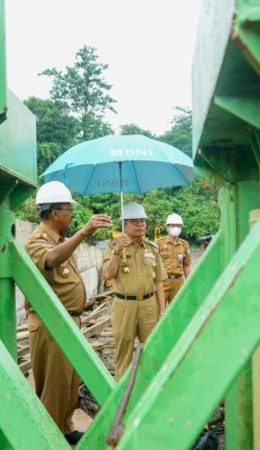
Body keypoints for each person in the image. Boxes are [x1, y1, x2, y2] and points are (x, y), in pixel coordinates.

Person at [24, 181, 112, 445]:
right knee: (54, 386)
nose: (71, 214)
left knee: (69, 383)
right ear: (54, 213)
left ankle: (64, 427)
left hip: (69, 321)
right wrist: (85, 231)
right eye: (68, 209)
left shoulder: (62, 240)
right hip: (52, 325)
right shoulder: (37, 241)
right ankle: (49, 438)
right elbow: (50, 260)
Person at [102, 202, 167, 380]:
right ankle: (123, 397)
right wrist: (117, 251)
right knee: (124, 353)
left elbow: (159, 282)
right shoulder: (114, 245)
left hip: (148, 305)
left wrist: (162, 310)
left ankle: (148, 392)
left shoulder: (152, 248)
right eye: (135, 221)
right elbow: (108, 274)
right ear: (124, 225)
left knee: (152, 349)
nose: (141, 224)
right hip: (124, 305)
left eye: (143, 221)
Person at [155, 213, 192, 306]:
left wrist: (190, 283)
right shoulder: (158, 243)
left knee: (178, 309)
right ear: (167, 227)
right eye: (173, 225)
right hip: (162, 282)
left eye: (178, 226)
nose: (176, 228)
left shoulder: (184, 244)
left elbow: (186, 265)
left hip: (178, 282)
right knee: (160, 310)